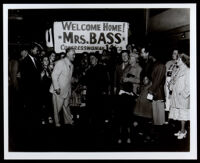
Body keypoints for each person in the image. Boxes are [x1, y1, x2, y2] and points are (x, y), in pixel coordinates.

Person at [49, 48, 76, 127]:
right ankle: (57, 123)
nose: (74, 56)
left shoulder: (72, 65)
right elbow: (54, 75)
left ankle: (69, 121)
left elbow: (67, 77)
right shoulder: (60, 63)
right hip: (58, 90)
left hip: (66, 90)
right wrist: (56, 88)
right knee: (57, 108)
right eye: (73, 54)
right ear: (67, 54)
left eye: (74, 54)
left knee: (66, 106)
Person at [85, 52, 109, 131]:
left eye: (93, 58)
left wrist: (104, 91)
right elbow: (85, 81)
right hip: (90, 93)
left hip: (99, 94)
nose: (91, 60)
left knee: (99, 112)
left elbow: (106, 80)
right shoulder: (89, 70)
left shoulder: (102, 68)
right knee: (90, 112)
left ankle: (100, 128)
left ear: (97, 59)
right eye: (90, 59)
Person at [168, 52, 190, 139]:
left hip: (183, 97)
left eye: (179, 59)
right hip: (176, 96)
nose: (177, 60)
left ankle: (183, 131)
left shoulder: (188, 70)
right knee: (179, 114)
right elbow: (175, 81)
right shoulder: (178, 69)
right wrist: (171, 85)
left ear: (183, 60)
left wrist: (183, 94)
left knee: (183, 115)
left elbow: (189, 85)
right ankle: (181, 130)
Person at [20, 43, 42, 127]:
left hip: (36, 91)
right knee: (30, 112)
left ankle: (35, 125)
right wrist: (25, 94)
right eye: (36, 50)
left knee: (36, 111)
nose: (37, 51)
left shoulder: (36, 60)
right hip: (29, 92)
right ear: (31, 50)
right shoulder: (25, 61)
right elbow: (24, 79)